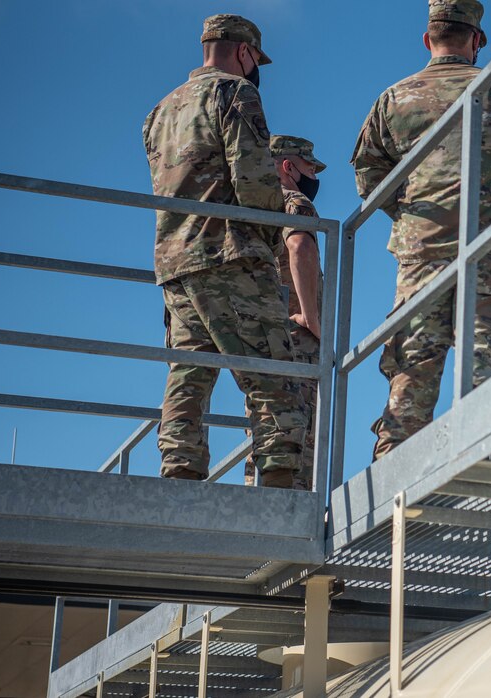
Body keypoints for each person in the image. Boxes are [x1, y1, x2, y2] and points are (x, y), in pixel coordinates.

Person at [352, 0, 491, 460]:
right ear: (477, 40)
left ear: (428, 39)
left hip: (421, 254)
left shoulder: (395, 98)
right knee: (490, 369)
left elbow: (370, 179)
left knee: (412, 370)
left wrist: (413, 218)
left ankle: (394, 472)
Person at [143, 14, 305, 488]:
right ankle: (278, 482)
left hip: (175, 261)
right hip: (231, 254)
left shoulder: (159, 112)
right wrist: (279, 229)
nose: (256, 68)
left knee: (188, 375)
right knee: (271, 374)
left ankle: (179, 473)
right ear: (243, 52)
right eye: (256, 59)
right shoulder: (235, 93)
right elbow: (254, 183)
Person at [243, 135, 326, 489]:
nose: (314, 175)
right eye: (309, 167)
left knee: (265, 426)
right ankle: (290, 511)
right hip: (295, 336)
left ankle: (258, 507)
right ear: (288, 167)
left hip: (259, 335)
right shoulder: (293, 201)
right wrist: (312, 319)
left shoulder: (248, 208)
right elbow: (300, 246)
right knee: (299, 435)